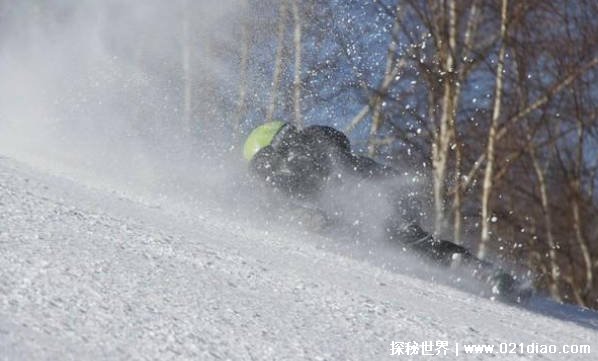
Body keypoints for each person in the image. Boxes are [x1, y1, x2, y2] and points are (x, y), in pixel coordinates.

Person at [243, 121, 531, 302]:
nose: (268, 176)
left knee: (409, 241)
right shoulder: (294, 178)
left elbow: (334, 146)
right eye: (261, 171)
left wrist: (339, 189)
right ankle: (482, 273)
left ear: (276, 148)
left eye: (266, 165)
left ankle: (487, 274)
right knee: (406, 242)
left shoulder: (306, 148)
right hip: (367, 203)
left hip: (379, 194)